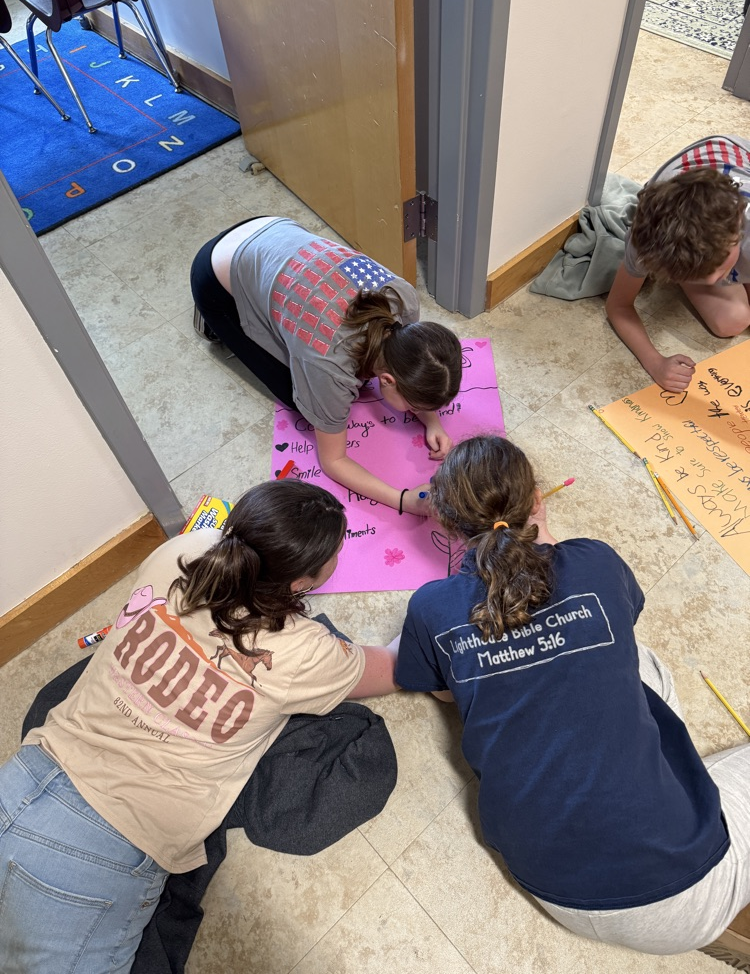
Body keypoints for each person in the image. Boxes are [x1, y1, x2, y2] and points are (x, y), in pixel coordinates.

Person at [0, 480, 400, 974]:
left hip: (27, 774)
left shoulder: (184, 550)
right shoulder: (303, 651)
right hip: (108, 838)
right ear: (302, 582)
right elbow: (395, 668)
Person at [395, 434, 750, 962]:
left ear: (446, 527)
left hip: (544, 878)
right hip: (684, 895)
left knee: (639, 675)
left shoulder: (429, 606)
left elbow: (444, 691)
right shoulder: (596, 563)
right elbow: (622, 617)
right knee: (641, 668)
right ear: (538, 500)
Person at [191, 216, 462, 515]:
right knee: (296, 395)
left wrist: (432, 420)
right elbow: (334, 461)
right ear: (386, 379)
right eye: (412, 405)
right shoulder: (328, 367)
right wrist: (403, 500)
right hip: (214, 271)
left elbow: (414, 362)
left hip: (274, 229)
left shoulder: (403, 297)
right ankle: (216, 321)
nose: (414, 411)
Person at [606, 135, 750, 392]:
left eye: (717, 267)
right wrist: (655, 363)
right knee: (732, 321)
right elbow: (618, 306)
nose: (712, 279)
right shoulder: (647, 238)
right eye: (697, 274)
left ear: (737, 229)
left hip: (736, 169)